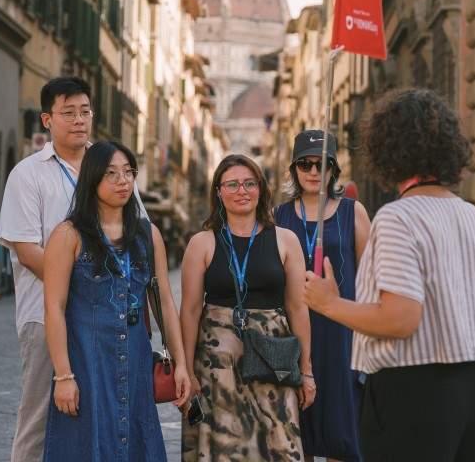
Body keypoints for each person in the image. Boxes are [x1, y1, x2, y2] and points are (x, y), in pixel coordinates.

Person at [304, 89, 475, 462]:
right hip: (472, 391)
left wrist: (329, 303)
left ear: (388, 149)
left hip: (411, 394)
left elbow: (399, 319)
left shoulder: (398, 218)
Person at [0, 77, 149, 462]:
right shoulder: (28, 174)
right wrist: (83, 286)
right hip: (47, 314)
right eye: (68, 113)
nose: (79, 120)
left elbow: (139, 236)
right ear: (47, 119)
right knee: (41, 415)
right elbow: (27, 249)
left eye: (85, 111)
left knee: (108, 414)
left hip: (111, 320)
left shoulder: (112, 165)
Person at [42, 140, 190, 461]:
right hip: (87, 364)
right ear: (92, 179)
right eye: (111, 173)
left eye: (128, 172)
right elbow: (53, 308)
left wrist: (180, 364)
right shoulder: (67, 235)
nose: (123, 181)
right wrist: (63, 376)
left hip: (135, 363)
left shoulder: (148, 235)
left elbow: (164, 301)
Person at [181, 154, 315, 461]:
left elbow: (297, 308)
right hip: (217, 365)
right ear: (218, 191)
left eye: (249, 183)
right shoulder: (201, 243)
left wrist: (306, 372)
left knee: (281, 444)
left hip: (275, 362)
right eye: (232, 184)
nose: (242, 191)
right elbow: (188, 311)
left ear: (260, 188)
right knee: (222, 448)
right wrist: (187, 371)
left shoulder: (286, 240)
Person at [274, 130, 370, 462]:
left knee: (342, 433)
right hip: (295, 330)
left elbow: (372, 274)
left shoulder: (353, 212)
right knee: (298, 431)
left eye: (322, 164)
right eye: (305, 164)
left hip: (342, 331)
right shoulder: (279, 217)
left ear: (333, 170)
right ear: (294, 170)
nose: (314, 172)